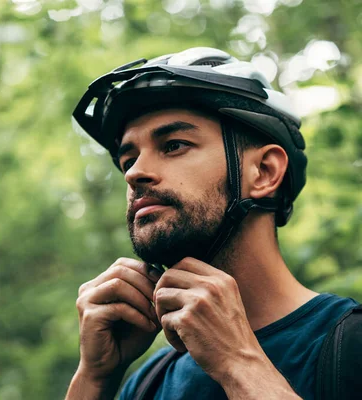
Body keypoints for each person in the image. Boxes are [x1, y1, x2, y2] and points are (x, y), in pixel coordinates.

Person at [64, 47, 358, 399]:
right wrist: (94, 379)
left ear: (264, 172)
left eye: (173, 145)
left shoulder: (350, 347)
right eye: (128, 160)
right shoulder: (146, 384)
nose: (135, 173)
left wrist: (239, 364)